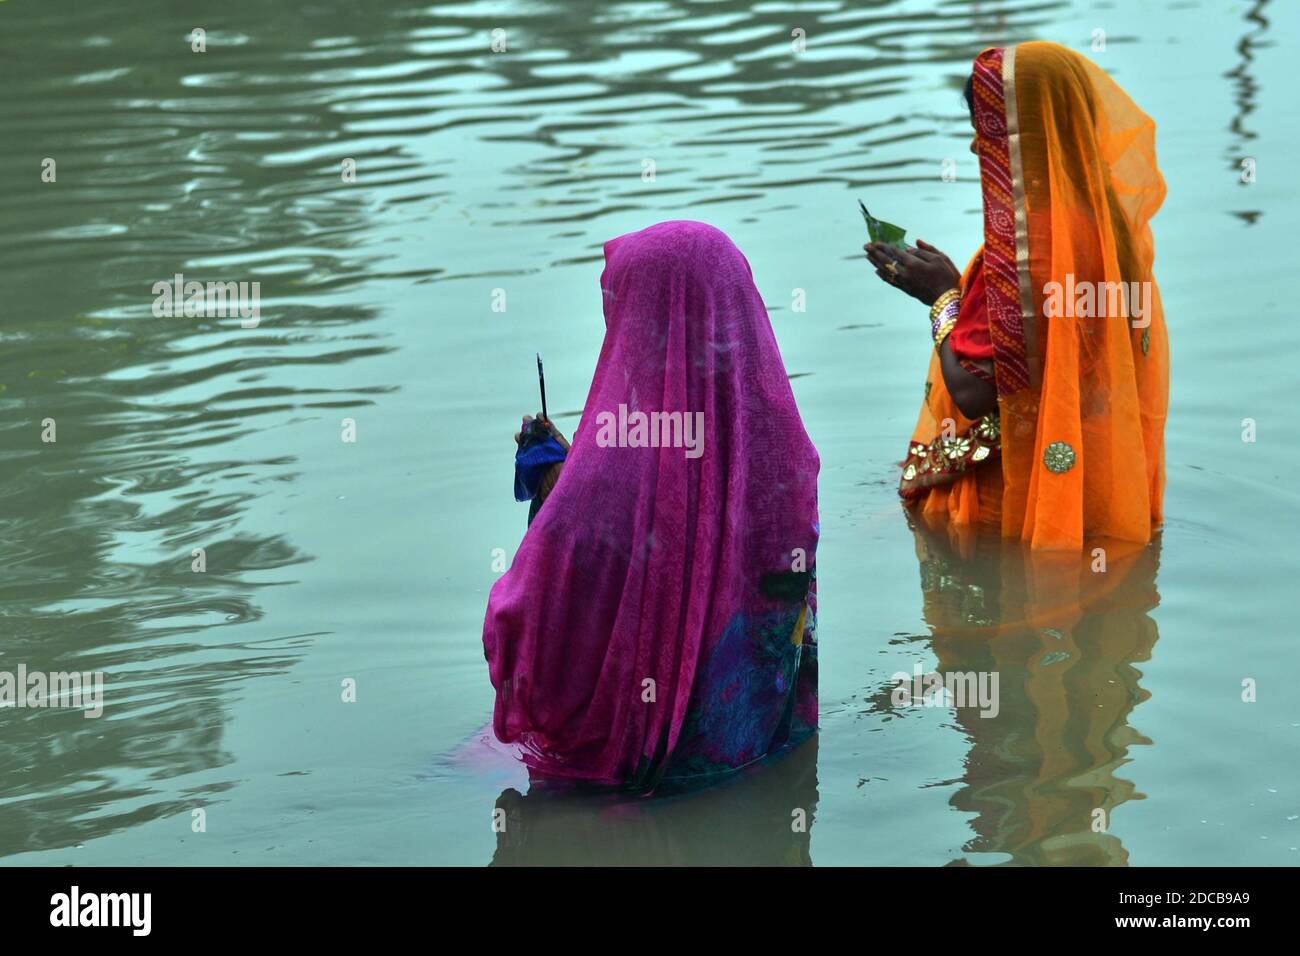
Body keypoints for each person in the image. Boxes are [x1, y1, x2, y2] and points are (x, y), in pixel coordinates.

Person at [484, 220, 820, 792]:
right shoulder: (784, 457)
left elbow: (521, 642)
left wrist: (552, 499)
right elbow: (686, 500)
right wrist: (576, 476)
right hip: (754, 755)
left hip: (627, 783)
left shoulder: (607, 482)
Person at [866, 42, 1168, 551]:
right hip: (1093, 484)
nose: (975, 148)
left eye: (984, 130)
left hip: (1013, 504)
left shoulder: (1025, 254)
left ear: (1021, 134)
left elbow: (974, 391)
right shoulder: (1110, 233)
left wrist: (942, 299)